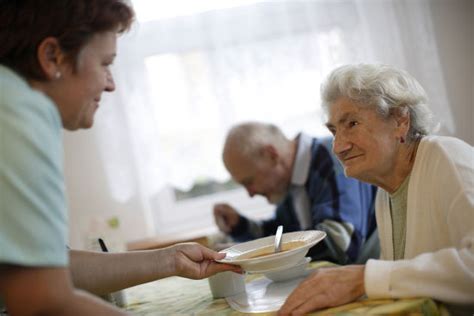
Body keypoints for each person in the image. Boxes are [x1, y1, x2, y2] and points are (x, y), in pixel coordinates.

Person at [0, 1, 240, 315]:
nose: (111, 83)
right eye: (105, 63)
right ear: (51, 57)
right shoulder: (18, 111)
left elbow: (47, 270)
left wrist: (169, 260)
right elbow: (46, 302)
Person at [279, 64, 474, 315]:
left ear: (400, 120)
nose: (338, 147)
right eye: (334, 130)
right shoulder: (386, 192)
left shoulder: (447, 156)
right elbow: (403, 284)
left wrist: (364, 278)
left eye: (351, 123)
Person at [213, 122, 379, 264]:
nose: (250, 193)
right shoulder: (290, 184)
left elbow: (341, 245)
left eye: (249, 182)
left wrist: (259, 254)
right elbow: (282, 236)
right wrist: (240, 225)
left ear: (272, 155)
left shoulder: (331, 158)